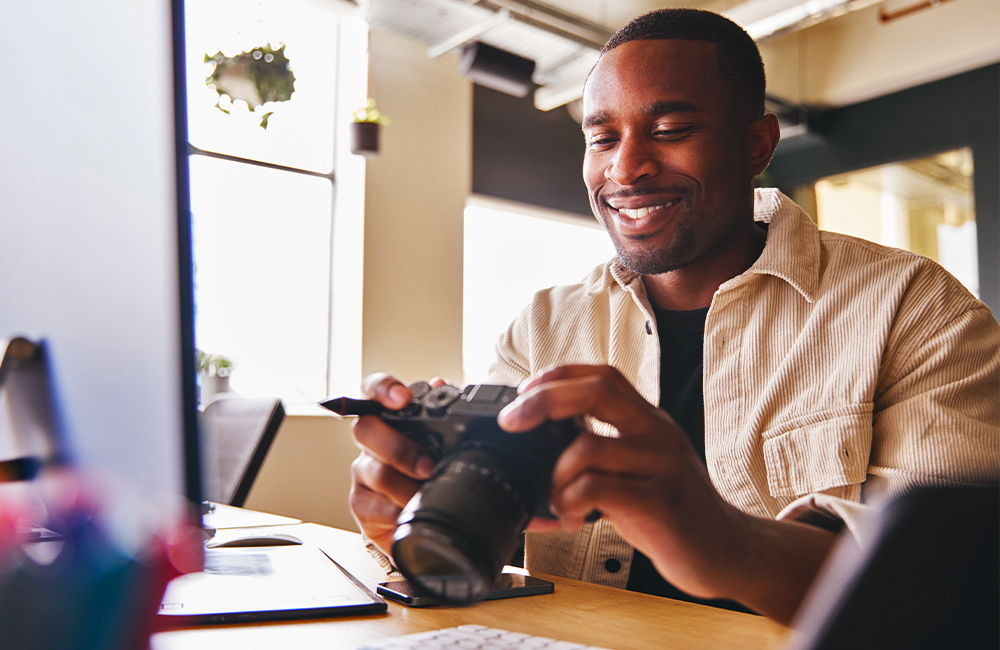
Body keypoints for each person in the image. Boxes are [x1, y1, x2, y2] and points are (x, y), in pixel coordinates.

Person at [348, 8, 1000, 624]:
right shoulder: (541, 329)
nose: (626, 167)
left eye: (670, 130)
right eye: (602, 137)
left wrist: (726, 541)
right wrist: (426, 518)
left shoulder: (916, 311)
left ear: (757, 144)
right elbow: (499, 560)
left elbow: (939, 587)